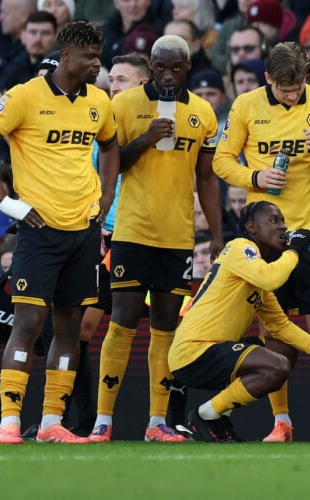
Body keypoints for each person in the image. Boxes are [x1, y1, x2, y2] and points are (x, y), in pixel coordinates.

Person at [0, 21, 119, 445]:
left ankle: (52, 422)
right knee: (29, 323)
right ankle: (9, 422)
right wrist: (5, 200)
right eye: (90, 57)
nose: (96, 65)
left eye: (99, 57)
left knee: (69, 328)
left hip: (84, 230)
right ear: (67, 56)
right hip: (39, 229)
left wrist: (106, 195)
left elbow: (110, 146)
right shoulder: (24, 96)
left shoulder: (99, 102)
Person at [212, 41, 310, 443]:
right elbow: (222, 160)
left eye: (297, 87)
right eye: (284, 89)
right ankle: (282, 423)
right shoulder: (246, 106)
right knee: (276, 331)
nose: (292, 95)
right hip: (266, 239)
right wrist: (255, 177)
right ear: (268, 79)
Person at [90, 35, 222, 443]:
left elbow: (206, 178)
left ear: (188, 68)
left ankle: (157, 423)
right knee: (122, 323)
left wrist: (216, 234)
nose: (167, 75)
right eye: (160, 67)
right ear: (150, 65)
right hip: (132, 232)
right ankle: (103, 420)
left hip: (178, 236)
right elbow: (110, 166)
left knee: (166, 329)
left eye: (175, 68)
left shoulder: (202, 113)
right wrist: (146, 138)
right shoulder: (122, 106)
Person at [168, 201, 310, 443]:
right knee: (276, 366)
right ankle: (206, 415)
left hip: (215, 349)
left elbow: (280, 326)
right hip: (195, 351)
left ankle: (216, 413)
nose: (283, 227)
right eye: (274, 221)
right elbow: (271, 278)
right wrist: (294, 249)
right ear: (251, 227)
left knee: (283, 349)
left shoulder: (254, 271)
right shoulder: (239, 247)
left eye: (283, 221)